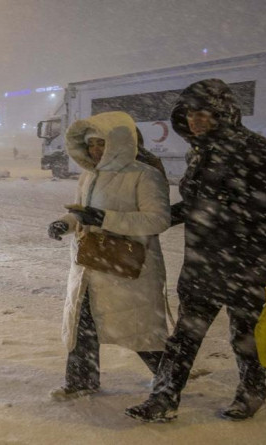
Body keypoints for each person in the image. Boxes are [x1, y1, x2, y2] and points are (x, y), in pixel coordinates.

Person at [126, 79, 266, 423]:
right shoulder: (199, 152)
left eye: (203, 113)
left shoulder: (261, 151)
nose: (195, 120)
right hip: (203, 262)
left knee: (246, 336)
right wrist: (155, 219)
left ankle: (252, 392)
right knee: (184, 336)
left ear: (224, 113)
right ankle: (164, 396)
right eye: (189, 113)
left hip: (249, 263)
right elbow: (198, 206)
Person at [47, 111, 171, 400]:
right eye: (91, 145)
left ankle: (170, 379)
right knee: (83, 324)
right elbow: (81, 211)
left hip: (127, 268)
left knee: (140, 330)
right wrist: (65, 223)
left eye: (101, 143)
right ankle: (80, 382)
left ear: (119, 142)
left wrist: (104, 218)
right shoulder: (90, 175)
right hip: (91, 263)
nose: (95, 150)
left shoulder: (144, 175)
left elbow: (157, 220)